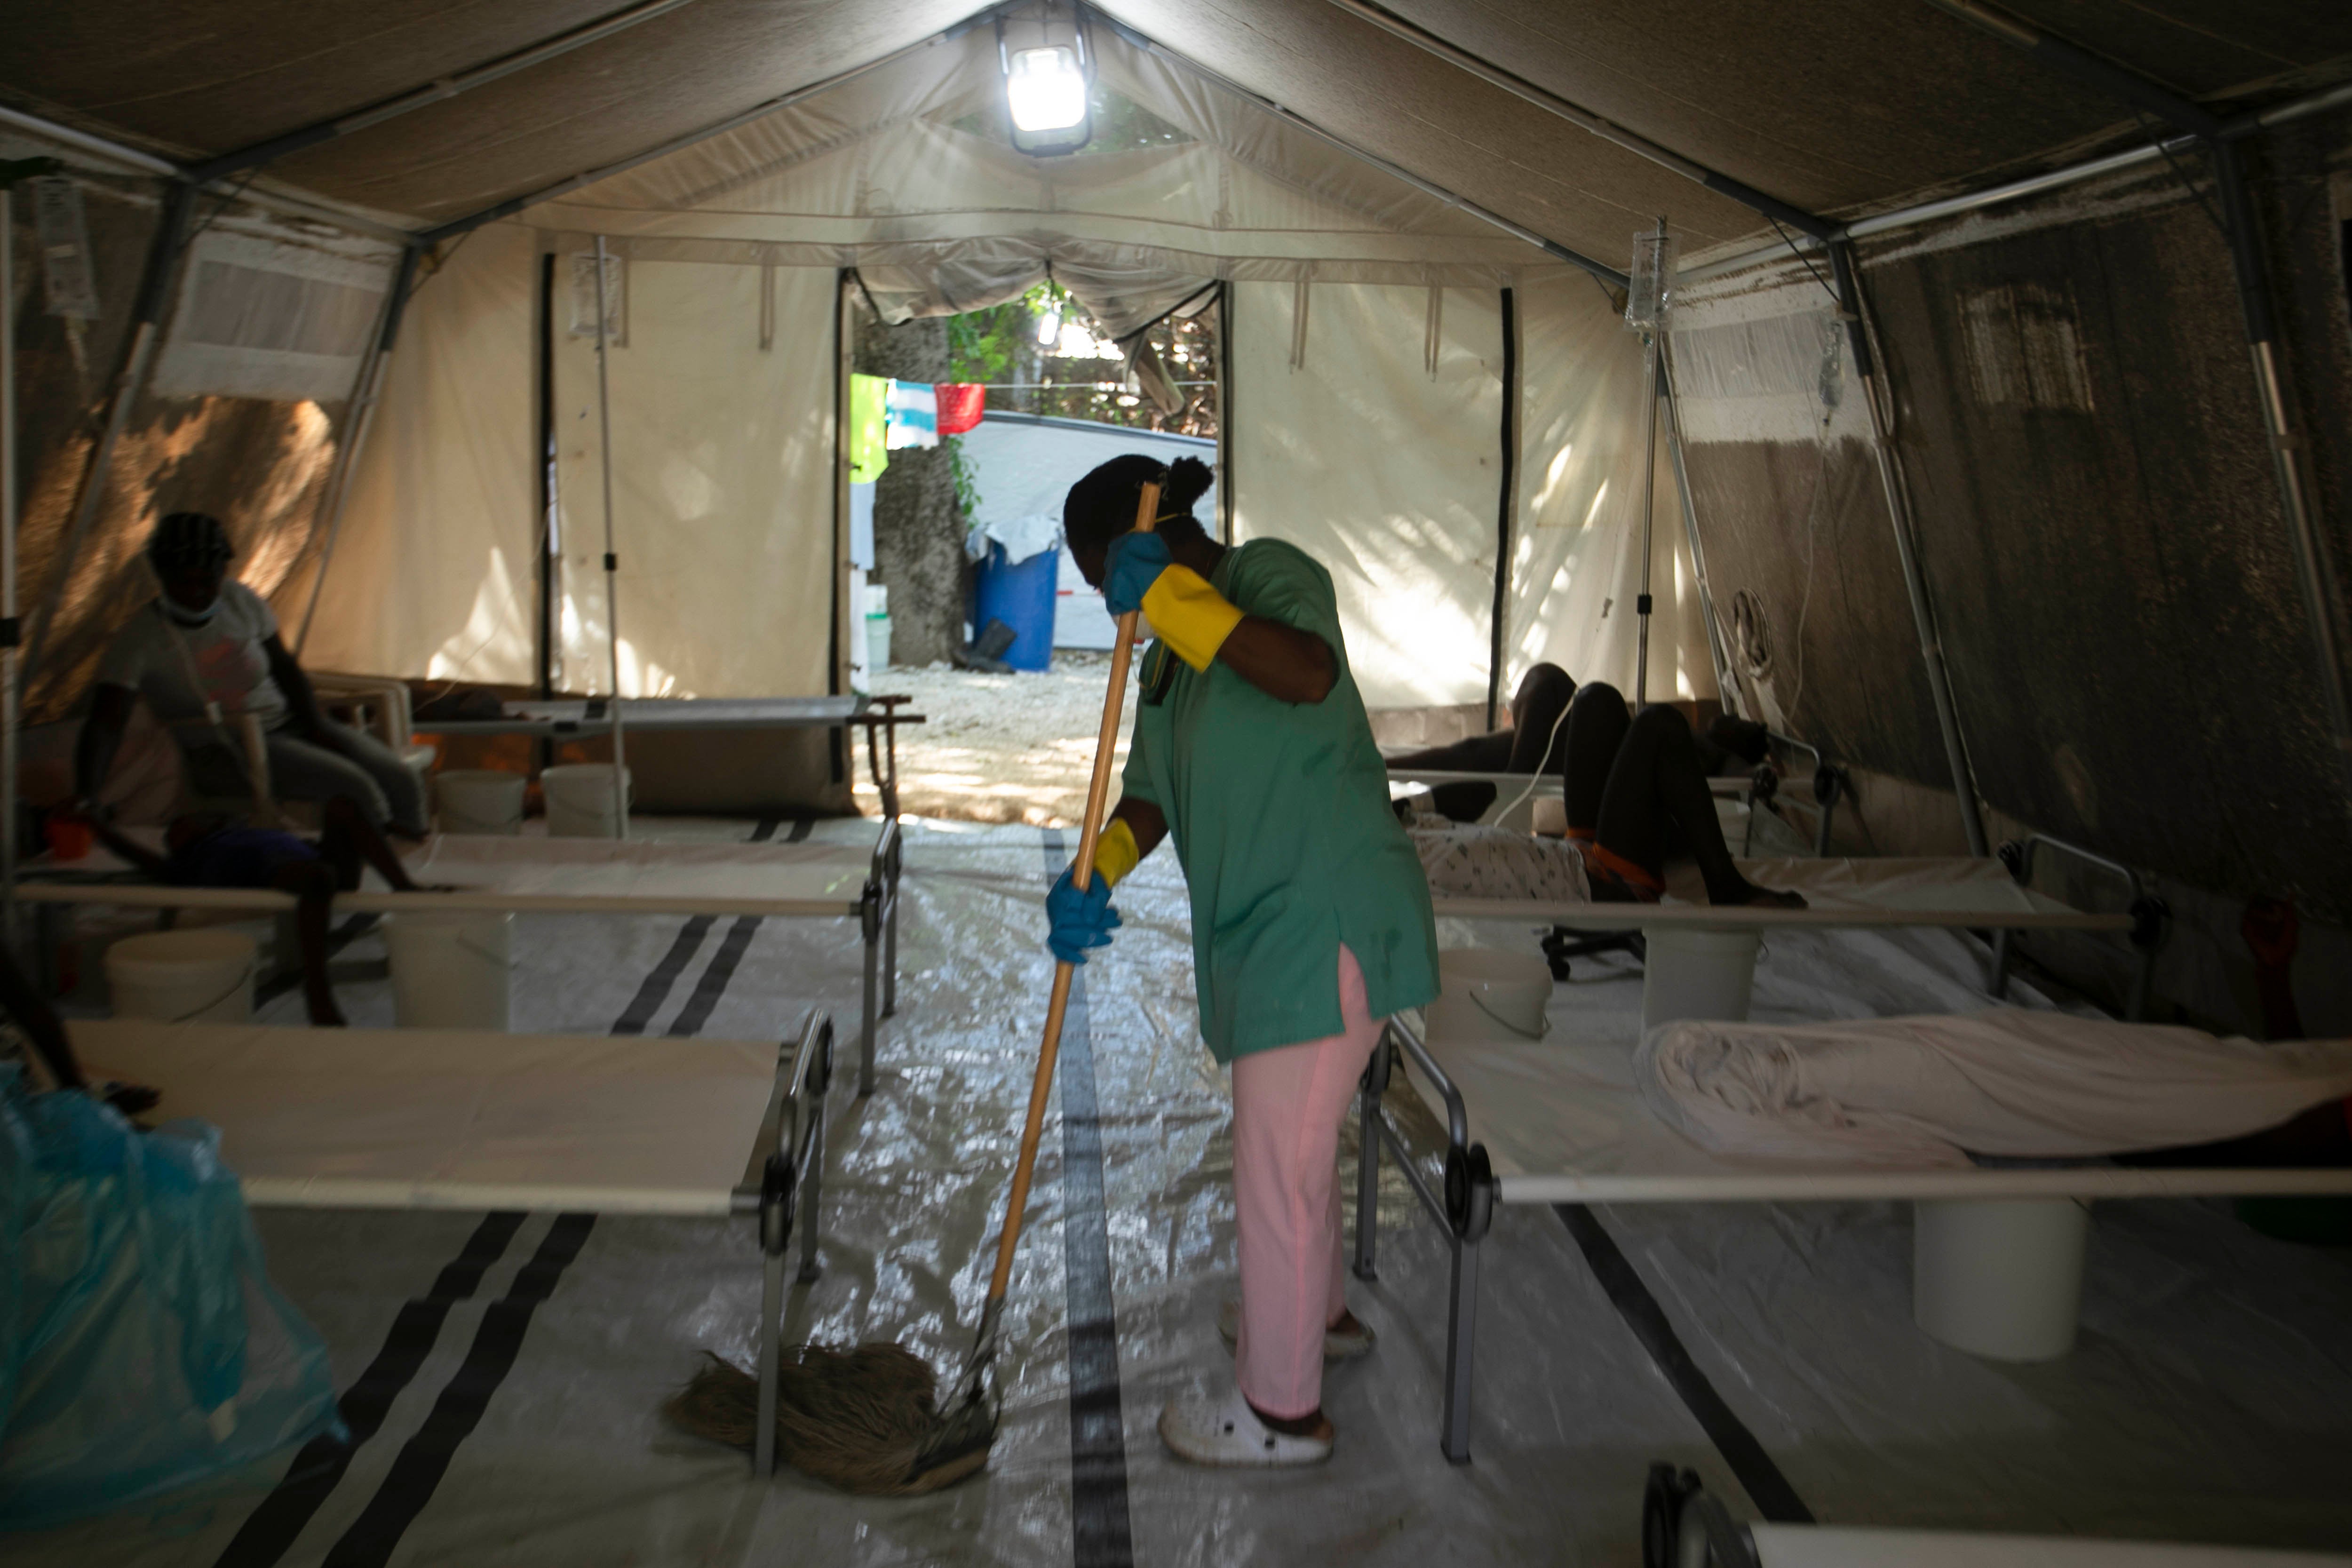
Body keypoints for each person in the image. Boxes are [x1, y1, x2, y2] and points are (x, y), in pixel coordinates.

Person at [1044, 454, 1439, 1468]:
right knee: (1292, 1155)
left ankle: (1278, 1412)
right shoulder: (1166, 661)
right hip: (1268, 930)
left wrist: (1172, 594)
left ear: (1145, 539)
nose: (1117, 608)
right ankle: (1324, 1320)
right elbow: (1151, 795)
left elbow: (1305, 672)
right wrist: (1099, 870)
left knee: (1279, 1170)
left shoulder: (1266, 573)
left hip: (1324, 912)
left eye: (1109, 582)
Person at [74, 511, 428, 838]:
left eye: (208, 580)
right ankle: (374, 887)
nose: (198, 592)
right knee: (357, 789)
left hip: (292, 725)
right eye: (186, 582)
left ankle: (418, 869)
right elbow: (106, 722)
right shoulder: (141, 640)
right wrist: (86, 795)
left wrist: (317, 726)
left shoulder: (238, 601)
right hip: (229, 750)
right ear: (162, 576)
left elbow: (284, 667)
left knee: (399, 778)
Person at [1411, 680, 1805, 909]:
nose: (1734, 722)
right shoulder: (1380, 858)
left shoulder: (1392, 825)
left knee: (1595, 698)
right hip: (1595, 879)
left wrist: (1408, 805)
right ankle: (1726, 886)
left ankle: (1692, 862)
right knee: (1661, 724)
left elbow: (1479, 794)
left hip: (1574, 852)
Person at [83, 796, 429, 1027]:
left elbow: (333, 840)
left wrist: (382, 825)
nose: (180, 826)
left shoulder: (240, 833)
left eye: (184, 822)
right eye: (174, 830)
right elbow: (135, 853)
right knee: (317, 877)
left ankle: (405, 886)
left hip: (317, 859)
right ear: (175, 847)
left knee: (342, 805)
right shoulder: (190, 862)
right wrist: (96, 823)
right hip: (282, 874)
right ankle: (318, 991)